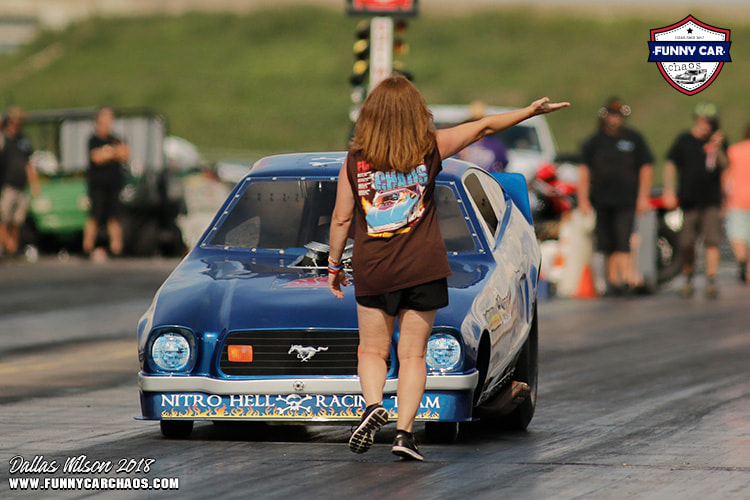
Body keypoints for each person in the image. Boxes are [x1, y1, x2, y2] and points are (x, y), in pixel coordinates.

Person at [327, 74, 569, 461]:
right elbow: (484, 127)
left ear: (370, 117)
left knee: (372, 351)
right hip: (423, 266)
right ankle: (405, 433)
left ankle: (373, 406)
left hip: (374, 266)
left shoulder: (355, 161)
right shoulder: (430, 149)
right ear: (415, 113)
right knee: (413, 355)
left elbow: (341, 220)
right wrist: (528, 111)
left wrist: (334, 265)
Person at [577, 97, 654, 296]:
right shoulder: (594, 141)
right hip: (602, 200)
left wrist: (643, 196)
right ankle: (613, 280)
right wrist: (583, 199)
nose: (614, 119)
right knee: (607, 243)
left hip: (626, 199)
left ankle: (626, 277)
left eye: (618, 115)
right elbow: (584, 171)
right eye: (611, 114)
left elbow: (646, 167)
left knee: (623, 239)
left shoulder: (634, 139)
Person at [663, 102, 728, 299]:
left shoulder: (718, 142)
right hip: (689, 201)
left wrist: (716, 148)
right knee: (686, 242)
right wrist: (669, 190)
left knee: (712, 241)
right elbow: (670, 163)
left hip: (711, 201)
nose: (707, 125)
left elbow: (725, 166)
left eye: (710, 122)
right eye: (704, 121)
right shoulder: (684, 140)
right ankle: (688, 276)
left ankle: (711, 280)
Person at [83, 107, 129, 259]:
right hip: (98, 185)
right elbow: (96, 157)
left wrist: (110, 153)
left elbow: (125, 153)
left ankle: (117, 249)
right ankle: (87, 247)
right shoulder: (93, 139)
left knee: (114, 217)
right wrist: (112, 153)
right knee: (94, 216)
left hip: (113, 183)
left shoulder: (115, 138)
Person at [0, 106, 40, 258]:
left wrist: (34, 183)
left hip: (21, 186)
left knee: (17, 220)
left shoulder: (23, 140)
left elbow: (29, 164)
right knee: (4, 218)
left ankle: (13, 248)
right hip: (7, 186)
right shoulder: (3, 139)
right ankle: (6, 245)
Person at [725, 122, 750, 283]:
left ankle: (741, 259)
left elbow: (727, 177)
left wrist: (724, 197)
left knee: (737, 234)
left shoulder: (734, 151)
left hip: (737, 199)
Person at [457, 100, 509, 172]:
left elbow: (502, 164)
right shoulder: (462, 142)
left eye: (480, 122)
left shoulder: (495, 144)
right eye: (473, 122)